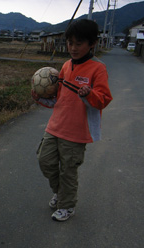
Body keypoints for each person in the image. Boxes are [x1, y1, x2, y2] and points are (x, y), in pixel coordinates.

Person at [32, 19, 113, 222]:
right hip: (55, 126)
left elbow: (103, 99)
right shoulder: (66, 65)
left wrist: (88, 94)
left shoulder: (98, 68)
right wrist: (40, 98)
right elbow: (59, 98)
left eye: (79, 43)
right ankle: (60, 193)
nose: (73, 48)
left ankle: (67, 205)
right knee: (45, 160)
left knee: (68, 170)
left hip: (76, 132)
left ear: (92, 43)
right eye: (70, 43)